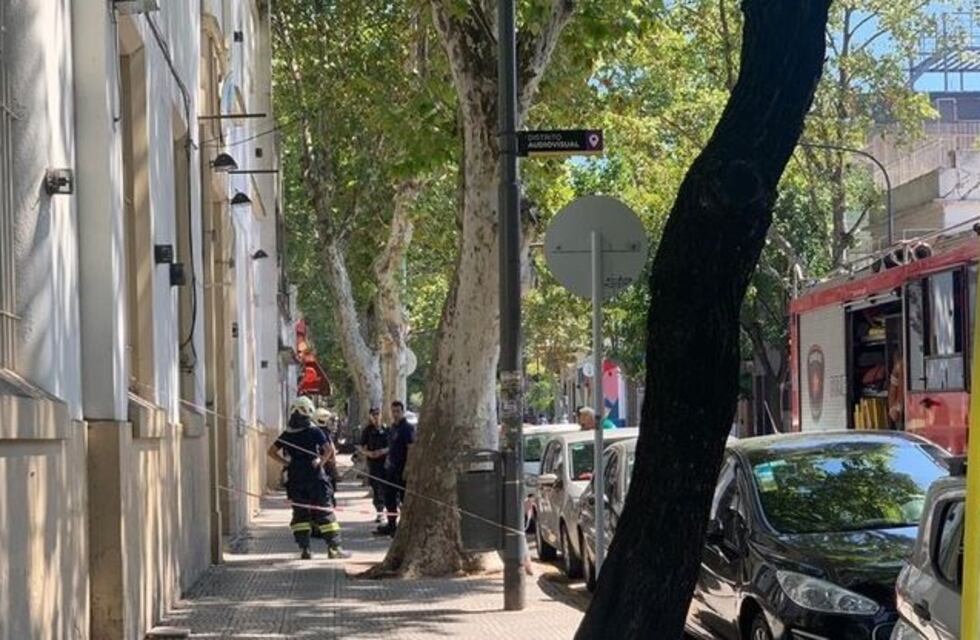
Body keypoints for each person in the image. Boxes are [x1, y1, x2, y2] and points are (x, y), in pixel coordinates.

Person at [267, 396, 350, 560]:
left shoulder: (288, 433)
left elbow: (271, 451)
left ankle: (305, 549)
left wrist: (287, 463)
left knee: (300, 514)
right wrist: (320, 462)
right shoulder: (314, 431)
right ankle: (334, 548)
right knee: (324, 511)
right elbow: (329, 450)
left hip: (296, 478)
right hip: (315, 477)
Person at [374, 400, 414, 536]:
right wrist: (384, 455)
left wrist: (408, 468)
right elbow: (392, 447)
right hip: (391, 468)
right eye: (393, 411)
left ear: (403, 412)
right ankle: (391, 525)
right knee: (389, 497)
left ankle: (406, 527)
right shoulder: (392, 428)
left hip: (402, 468)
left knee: (403, 498)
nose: (395, 414)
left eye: (398, 411)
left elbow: (411, 448)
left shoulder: (407, 428)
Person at [357, 407, 389, 523]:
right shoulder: (367, 431)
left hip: (386, 464)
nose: (376, 416)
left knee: (387, 488)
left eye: (377, 414)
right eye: (373, 414)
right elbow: (361, 447)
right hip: (374, 464)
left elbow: (392, 445)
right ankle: (380, 512)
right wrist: (369, 453)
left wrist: (383, 451)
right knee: (376, 488)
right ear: (370, 416)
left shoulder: (386, 429)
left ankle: (390, 513)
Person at [313, 407, 341, 508]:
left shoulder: (323, 433)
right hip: (324, 468)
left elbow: (331, 450)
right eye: (329, 420)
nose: (332, 424)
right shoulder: (320, 433)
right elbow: (330, 450)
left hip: (326, 467)